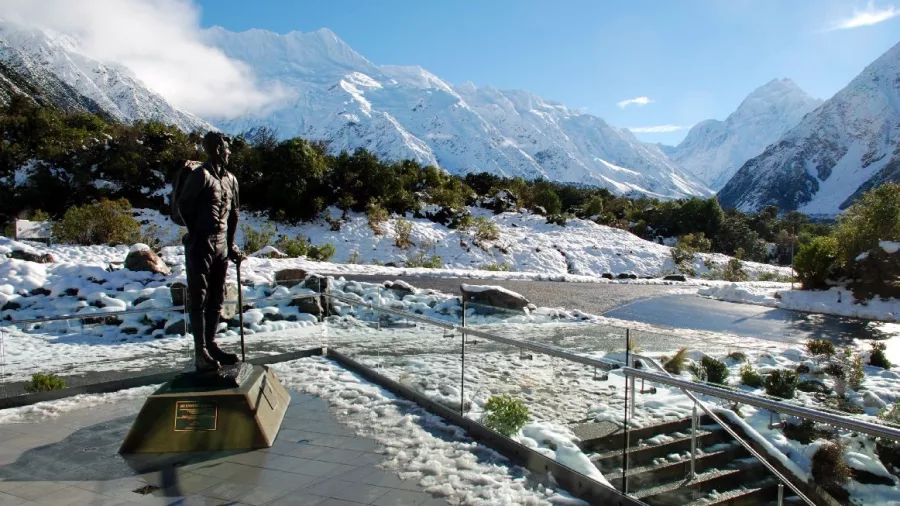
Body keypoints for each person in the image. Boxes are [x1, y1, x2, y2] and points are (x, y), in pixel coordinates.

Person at [177, 132, 245, 372]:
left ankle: (211, 344)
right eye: (226, 149)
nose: (229, 153)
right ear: (217, 149)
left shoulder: (231, 179)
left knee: (215, 298)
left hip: (221, 246)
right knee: (199, 298)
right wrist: (195, 232)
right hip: (202, 244)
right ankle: (200, 352)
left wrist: (232, 244)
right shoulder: (201, 176)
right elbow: (184, 206)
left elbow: (234, 214)